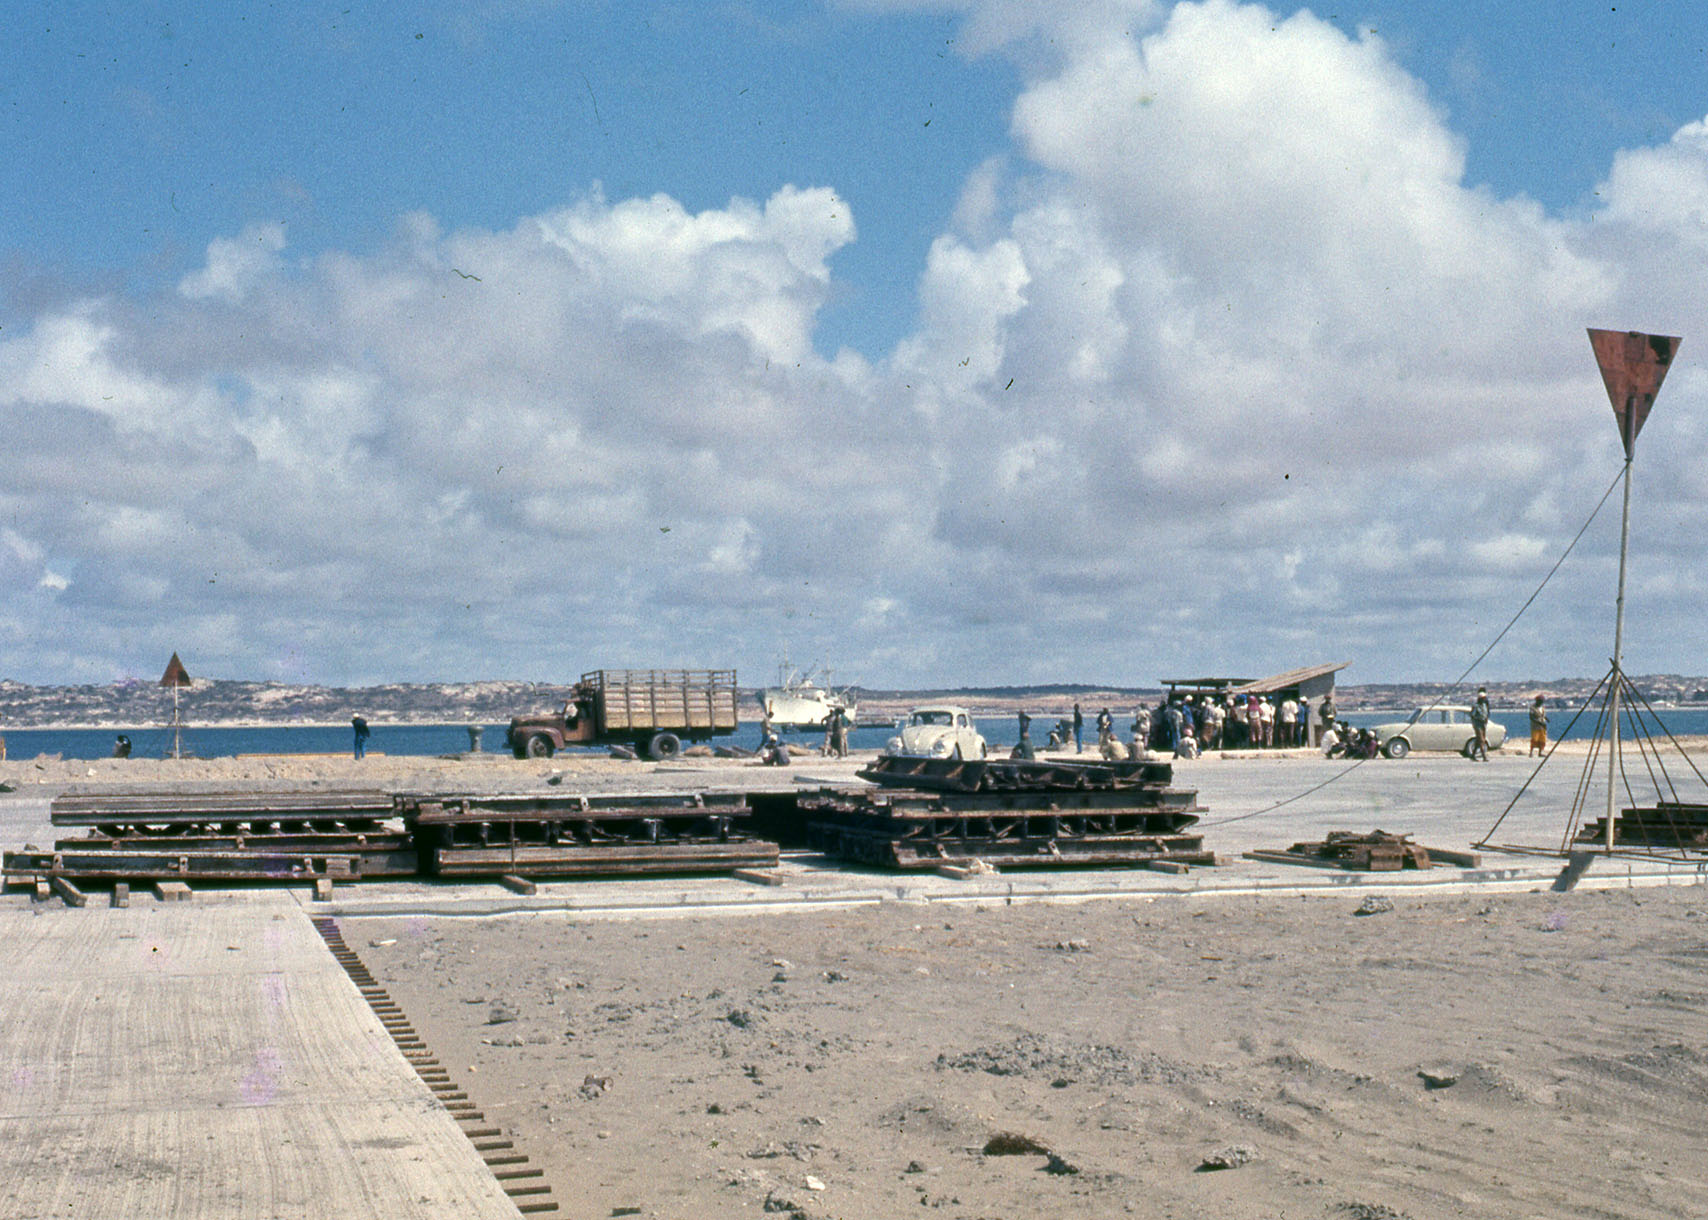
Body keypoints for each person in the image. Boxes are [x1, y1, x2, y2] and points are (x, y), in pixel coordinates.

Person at [1469, 688, 1491, 761]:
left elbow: (1487, 713)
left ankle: (1473, 755)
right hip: (1478, 724)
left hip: (1483, 724)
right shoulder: (1476, 706)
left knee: (1480, 740)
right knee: (1481, 740)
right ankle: (1484, 756)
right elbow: (1472, 715)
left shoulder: (1485, 705)